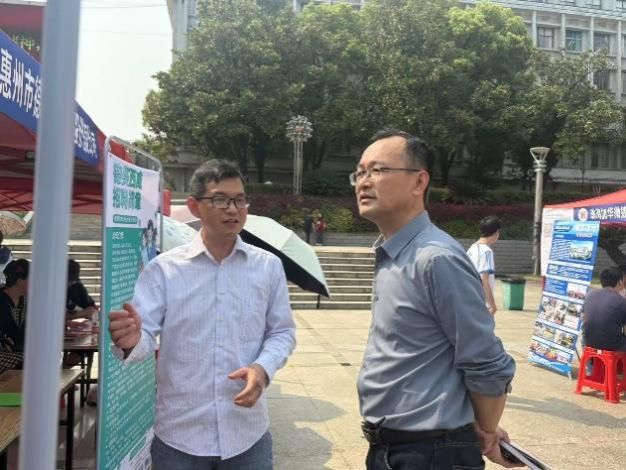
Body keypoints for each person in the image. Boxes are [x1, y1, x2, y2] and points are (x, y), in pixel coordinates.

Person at [108, 159, 296, 470]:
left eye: (240, 200)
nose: (233, 209)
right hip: (179, 438)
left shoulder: (268, 267)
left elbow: (282, 332)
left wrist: (262, 368)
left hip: (247, 435)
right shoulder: (164, 269)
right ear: (195, 206)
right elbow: (144, 337)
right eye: (220, 200)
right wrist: (131, 340)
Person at [351, 129, 518, 470]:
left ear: (419, 181)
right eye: (359, 172)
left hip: (431, 454)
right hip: (393, 448)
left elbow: (487, 362)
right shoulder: (394, 253)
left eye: (377, 170)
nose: (363, 182)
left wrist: (484, 430)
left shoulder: (436, 258)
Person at [582, 266, 626, 352]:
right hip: (611, 347)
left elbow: (584, 318)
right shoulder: (621, 301)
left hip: (588, 344)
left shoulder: (590, 295)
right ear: (620, 282)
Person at [466, 215, 502, 315]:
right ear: (496, 232)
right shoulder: (487, 251)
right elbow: (484, 278)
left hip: (469, 300)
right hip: (481, 303)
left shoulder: (471, 249)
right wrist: (492, 305)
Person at [0, 259, 29, 352]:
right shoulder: (2, 302)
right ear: (20, 281)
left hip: (16, 349)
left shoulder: (24, 300)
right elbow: (15, 336)